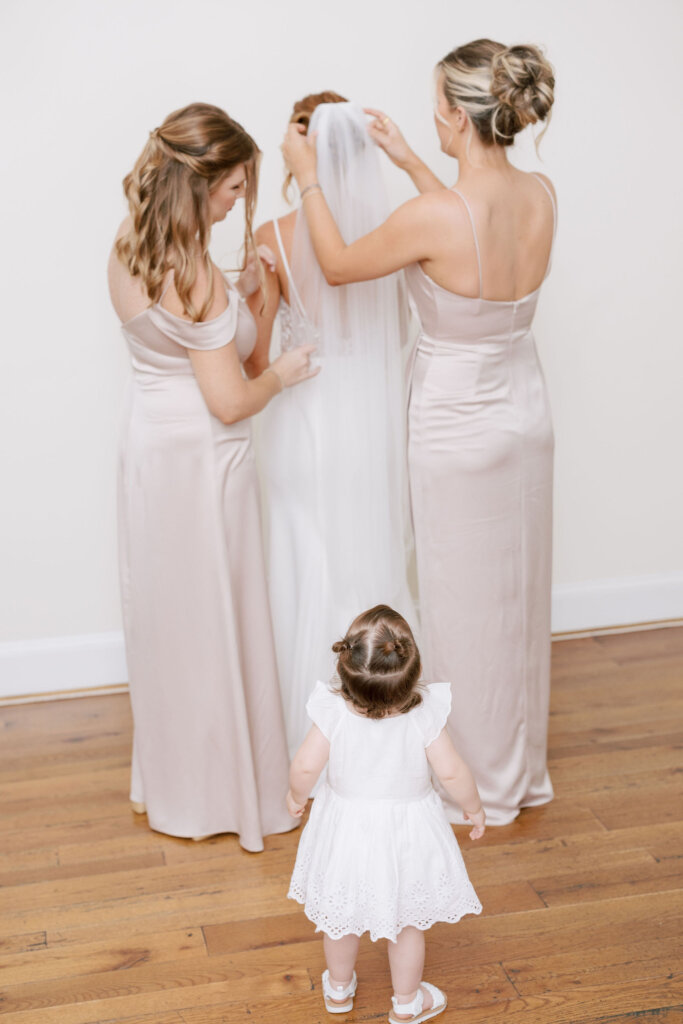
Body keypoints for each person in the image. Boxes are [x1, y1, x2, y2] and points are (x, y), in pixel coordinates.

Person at [282, 40, 557, 826]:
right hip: (524, 412)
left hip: (457, 424)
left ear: (459, 115)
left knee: (462, 599)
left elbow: (336, 264)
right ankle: (517, 765)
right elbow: (463, 238)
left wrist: (305, 174)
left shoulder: (435, 214)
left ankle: (474, 781)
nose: (428, 113)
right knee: (516, 590)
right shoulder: (539, 193)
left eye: (435, 102)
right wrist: (409, 162)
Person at [107, 102, 317, 849]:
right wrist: (284, 374)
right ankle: (227, 796)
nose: (237, 205)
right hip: (203, 462)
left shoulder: (130, 247)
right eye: (231, 189)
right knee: (217, 619)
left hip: (150, 453)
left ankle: (173, 783)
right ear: (198, 183)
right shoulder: (193, 272)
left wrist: (249, 295)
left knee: (175, 624)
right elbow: (230, 399)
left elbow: (189, 350)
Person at [249, 95, 416, 754]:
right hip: (369, 418)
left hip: (306, 415)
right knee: (367, 554)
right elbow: (400, 332)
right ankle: (383, 725)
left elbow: (261, 359)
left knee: (304, 550)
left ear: (300, 152)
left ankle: (306, 734)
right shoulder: (391, 234)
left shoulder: (271, 238)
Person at [286, 605, 484, 1023]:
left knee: (340, 919)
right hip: (408, 834)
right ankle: (408, 1002)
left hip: (345, 832)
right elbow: (451, 771)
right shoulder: (424, 712)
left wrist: (295, 796)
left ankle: (339, 989)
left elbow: (306, 765)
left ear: (346, 667)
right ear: (412, 669)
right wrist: (473, 806)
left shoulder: (333, 711)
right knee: (408, 922)